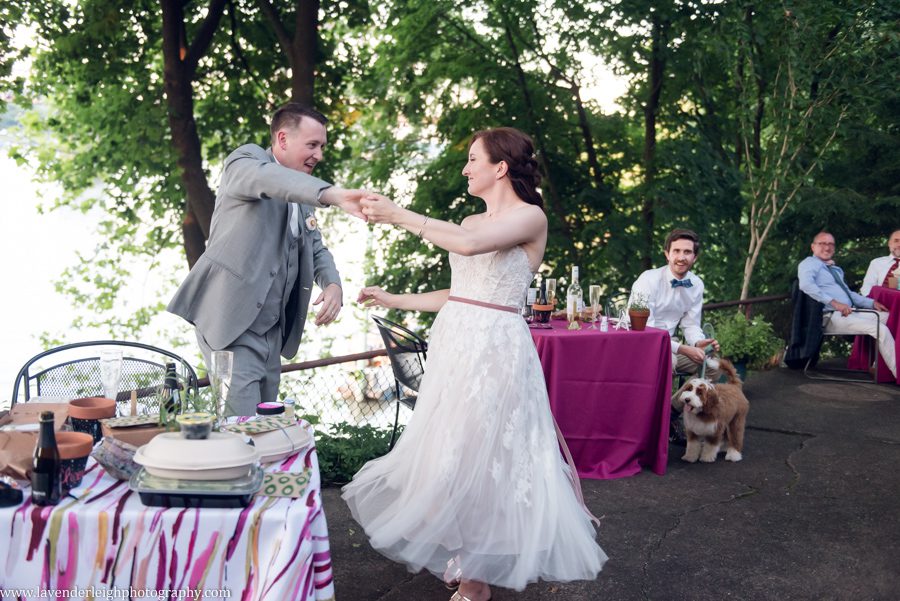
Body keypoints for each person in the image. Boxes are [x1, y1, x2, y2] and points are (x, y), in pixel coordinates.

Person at [342, 127, 606, 601]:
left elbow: (467, 249)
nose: (465, 169)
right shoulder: (467, 219)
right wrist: (392, 297)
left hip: (496, 348)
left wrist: (399, 215)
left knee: (483, 458)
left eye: (471, 160)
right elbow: (458, 292)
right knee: (448, 454)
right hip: (455, 343)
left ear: (499, 168)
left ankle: (476, 581)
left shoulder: (531, 218)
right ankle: (468, 556)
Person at [167, 103, 366, 416]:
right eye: (312, 145)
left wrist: (332, 283)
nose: (319, 155)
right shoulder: (245, 163)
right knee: (242, 431)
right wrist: (333, 195)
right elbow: (268, 180)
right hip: (234, 325)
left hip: (272, 331)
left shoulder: (301, 187)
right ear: (283, 140)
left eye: (322, 146)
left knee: (265, 427)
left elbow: (315, 247)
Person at [798, 231, 896, 378]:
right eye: (822, 243)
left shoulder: (834, 269)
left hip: (850, 313)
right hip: (830, 317)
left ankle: (882, 368)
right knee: (880, 329)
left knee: (890, 318)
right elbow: (806, 285)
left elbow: (849, 294)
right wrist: (835, 303)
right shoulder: (809, 263)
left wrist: (871, 303)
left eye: (831, 244)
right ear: (813, 247)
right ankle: (898, 372)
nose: (827, 247)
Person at [628, 229, 721, 382]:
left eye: (687, 252)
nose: (681, 257)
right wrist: (684, 349)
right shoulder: (648, 280)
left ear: (695, 257)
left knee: (713, 366)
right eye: (676, 251)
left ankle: (677, 405)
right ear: (667, 254)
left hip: (671, 345)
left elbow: (691, 324)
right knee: (667, 361)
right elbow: (645, 331)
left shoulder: (696, 284)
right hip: (642, 346)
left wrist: (698, 343)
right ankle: (659, 406)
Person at [860, 228, 900, 296]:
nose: (899, 244)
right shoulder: (876, 263)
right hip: (876, 303)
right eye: (896, 241)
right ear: (889, 243)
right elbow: (867, 287)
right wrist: (871, 303)